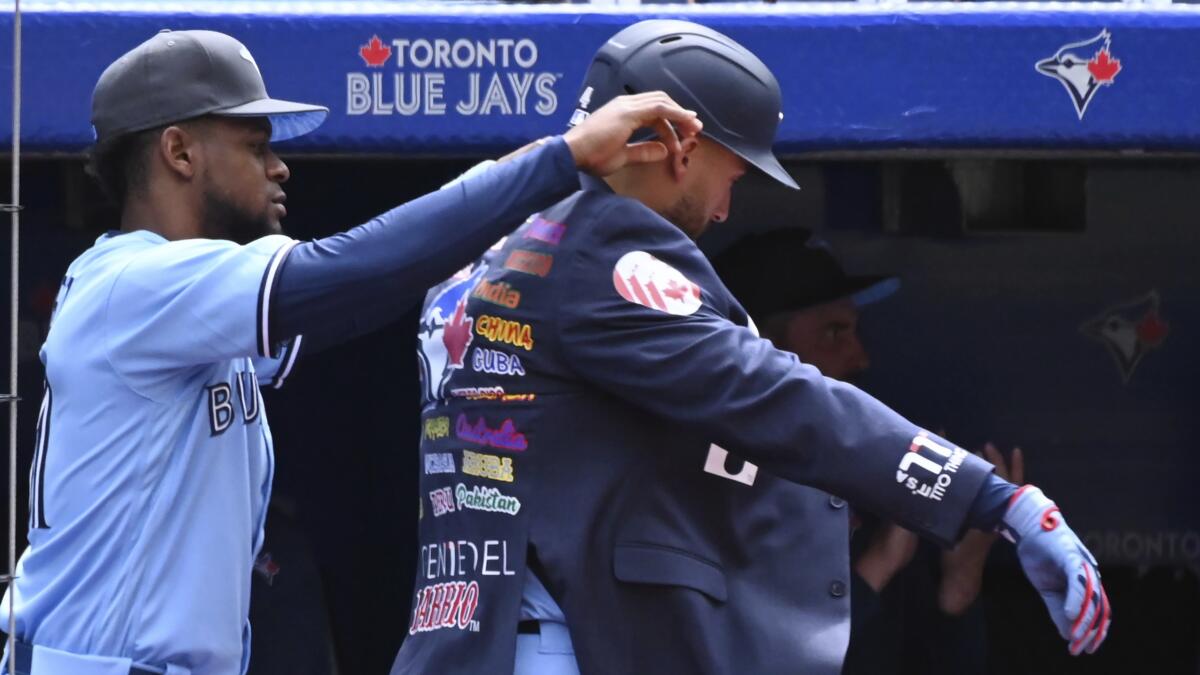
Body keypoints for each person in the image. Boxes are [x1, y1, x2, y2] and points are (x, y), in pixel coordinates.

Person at [392, 19, 1110, 675]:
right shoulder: (603, 249)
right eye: (732, 174)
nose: (726, 209)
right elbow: (775, 396)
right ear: (679, 139)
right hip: (559, 650)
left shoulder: (487, 248)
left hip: (468, 643)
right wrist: (993, 498)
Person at [0, 28, 702, 675]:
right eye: (255, 144)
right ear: (180, 152)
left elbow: (376, 282)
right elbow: (356, 268)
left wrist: (552, 166)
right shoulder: (136, 284)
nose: (280, 169)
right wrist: (564, 156)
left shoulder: (192, 304)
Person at [711, 228, 1025, 673]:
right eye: (834, 333)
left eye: (855, 331)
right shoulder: (709, 486)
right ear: (761, 353)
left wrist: (960, 579)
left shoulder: (868, 488)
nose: (861, 358)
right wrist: (878, 565)